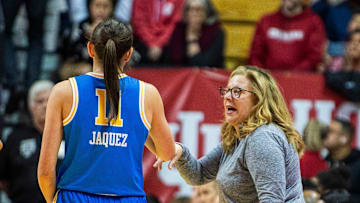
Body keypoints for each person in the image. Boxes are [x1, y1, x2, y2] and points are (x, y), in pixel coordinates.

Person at [37, 19, 176, 202]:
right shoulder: (147, 94)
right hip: (128, 198)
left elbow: (45, 172)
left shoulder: (64, 92)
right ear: (128, 54)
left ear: (91, 49)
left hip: (74, 196)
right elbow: (167, 153)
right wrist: (139, 128)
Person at [155, 66, 305, 202]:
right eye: (227, 90)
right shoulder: (238, 140)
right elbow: (199, 174)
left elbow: (271, 200)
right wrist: (179, 151)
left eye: (237, 92)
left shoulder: (262, 138)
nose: (227, 96)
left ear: (258, 100)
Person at [0, 80, 55, 203]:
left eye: (49, 100)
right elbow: (3, 179)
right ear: (30, 106)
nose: (45, 105)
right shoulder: (15, 137)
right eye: (39, 101)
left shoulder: (68, 135)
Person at [249, 0, 326, 72]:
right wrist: (263, 76)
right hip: (268, 81)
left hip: (299, 81)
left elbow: (314, 56)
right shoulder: (266, 21)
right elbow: (255, 54)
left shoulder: (314, 22)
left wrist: (290, 76)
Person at [164, 0, 224, 68]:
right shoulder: (178, 30)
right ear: (185, 13)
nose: (194, 13)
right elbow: (173, 60)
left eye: (198, 9)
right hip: (181, 75)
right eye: (190, 9)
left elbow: (206, 64)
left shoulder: (216, 32)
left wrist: (192, 39)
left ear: (206, 13)